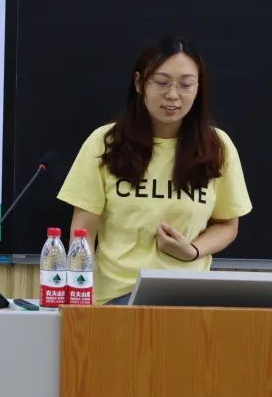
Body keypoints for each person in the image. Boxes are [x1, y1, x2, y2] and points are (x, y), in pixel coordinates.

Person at [57, 35, 252, 304]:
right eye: (161, 82)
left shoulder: (217, 146)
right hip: (117, 297)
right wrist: (82, 296)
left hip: (189, 296)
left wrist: (193, 251)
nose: (173, 95)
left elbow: (228, 224)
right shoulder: (105, 142)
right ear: (140, 83)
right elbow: (83, 231)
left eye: (185, 84)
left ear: (198, 88)